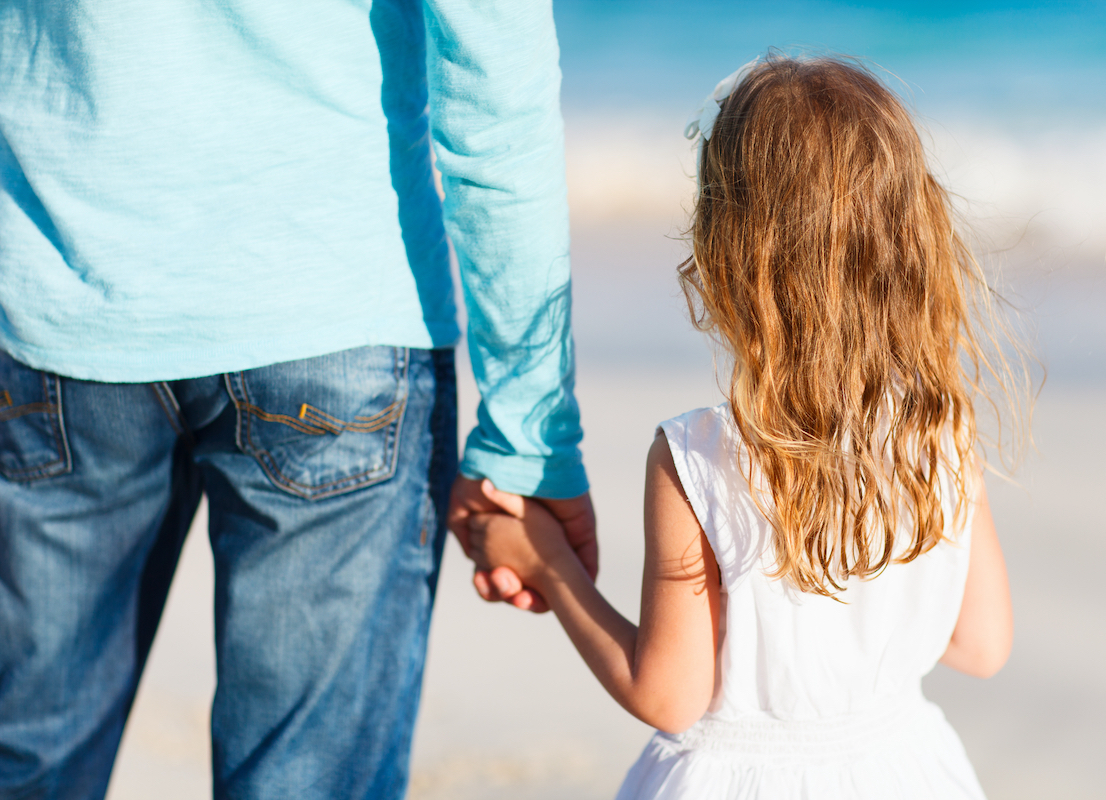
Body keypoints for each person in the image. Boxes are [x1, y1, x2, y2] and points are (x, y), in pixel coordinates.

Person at [0, 1, 593, 797]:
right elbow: (496, 93)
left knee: (25, 760)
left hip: (50, 294)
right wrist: (528, 430)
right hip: (332, 312)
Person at [467, 56, 1021, 799]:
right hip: (907, 770)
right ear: (909, 241)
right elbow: (981, 646)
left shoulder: (696, 458)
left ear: (729, 254)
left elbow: (669, 696)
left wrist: (546, 564)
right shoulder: (940, 432)